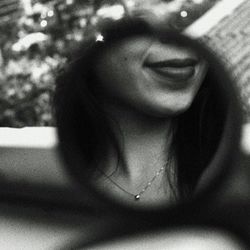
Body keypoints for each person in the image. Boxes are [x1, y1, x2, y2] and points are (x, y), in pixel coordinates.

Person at [54, 12, 227, 208]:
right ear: (92, 56)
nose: (182, 41)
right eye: (139, 29)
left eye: (185, 25)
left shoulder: (234, 173)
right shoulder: (54, 191)